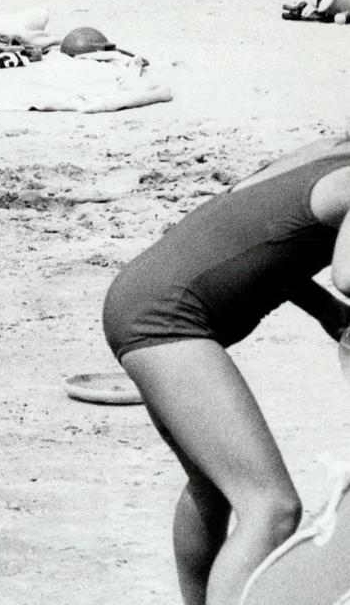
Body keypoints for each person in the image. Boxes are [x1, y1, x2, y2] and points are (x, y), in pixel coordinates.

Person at [103, 133, 350, 605]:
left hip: (142, 293)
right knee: (272, 508)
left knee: (212, 487)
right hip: (167, 318)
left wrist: (325, 312)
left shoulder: (324, 151)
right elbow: (348, 274)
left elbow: (264, 239)